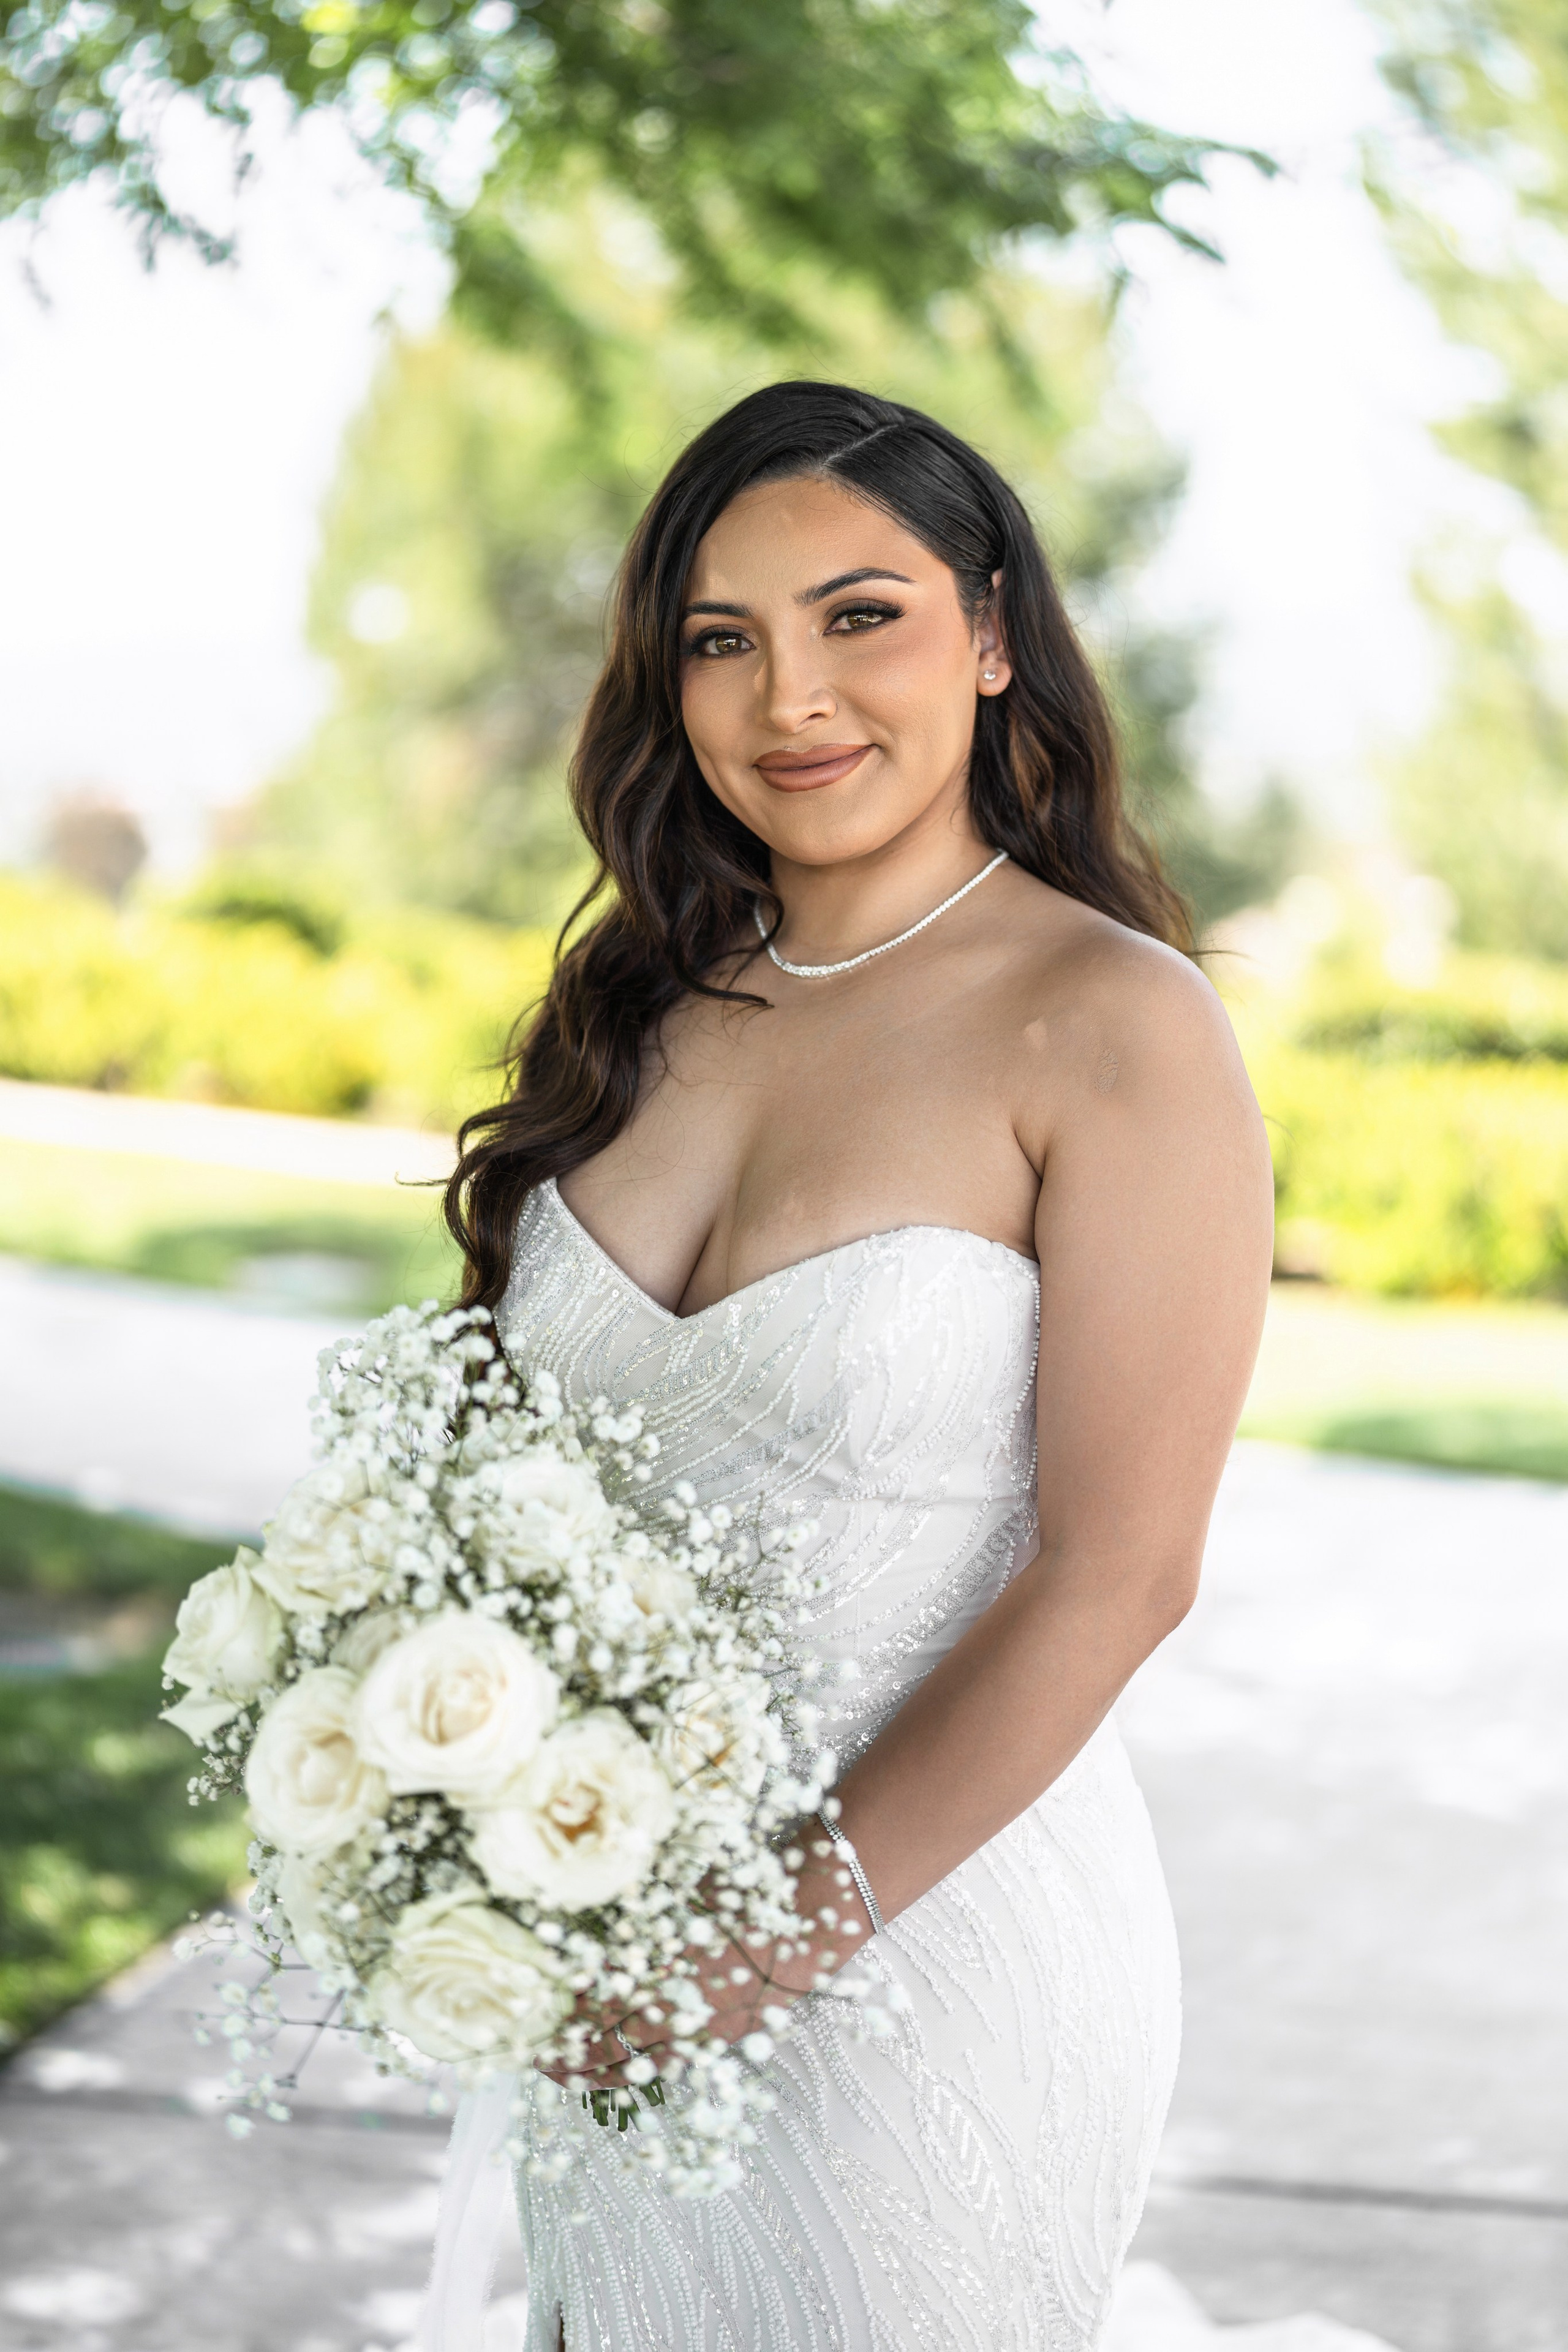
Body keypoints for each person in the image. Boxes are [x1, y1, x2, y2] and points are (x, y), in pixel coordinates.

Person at [438, 380, 1274, 2351]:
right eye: (721, 640)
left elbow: (1121, 1572)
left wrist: (734, 1960)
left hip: (939, 1958)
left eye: (860, 615)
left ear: (992, 636)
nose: (789, 696)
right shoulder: (639, 1013)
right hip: (613, 1945)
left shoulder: (1116, 1027)